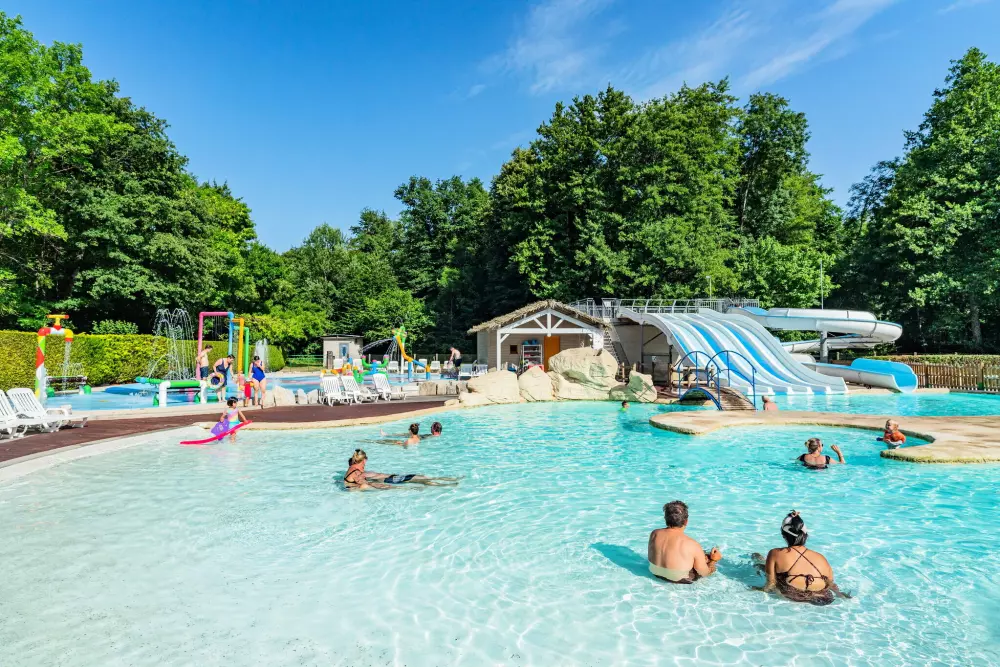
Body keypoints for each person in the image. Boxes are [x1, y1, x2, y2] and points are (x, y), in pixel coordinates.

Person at [753, 511, 848, 606]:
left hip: (794, 595)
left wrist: (759, 590)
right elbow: (831, 585)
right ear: (805, 535)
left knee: (759, 564)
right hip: (825, 597)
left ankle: (758, 559)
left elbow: (771, 584)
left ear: (783, 535)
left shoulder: (775, 553)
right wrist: (840, 594)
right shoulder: (820, 557)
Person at [647, 500, 722, 584]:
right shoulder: (692, 544)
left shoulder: (654, 533)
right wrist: (713, 561)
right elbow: (704, 573)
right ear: (686, 521)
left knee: (700, 555)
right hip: (680, 579)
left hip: (655, 573)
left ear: (665, 519)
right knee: (707, 559)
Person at [342, 449, 459, 490]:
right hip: (386, 481)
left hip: (388, 478)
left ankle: (445, 482)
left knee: (419, 478)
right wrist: (399, 489)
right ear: (363, 460)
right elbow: (369, 485)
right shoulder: (356, 473)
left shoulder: (353, 468)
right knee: (419, 479)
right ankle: (446, 483)